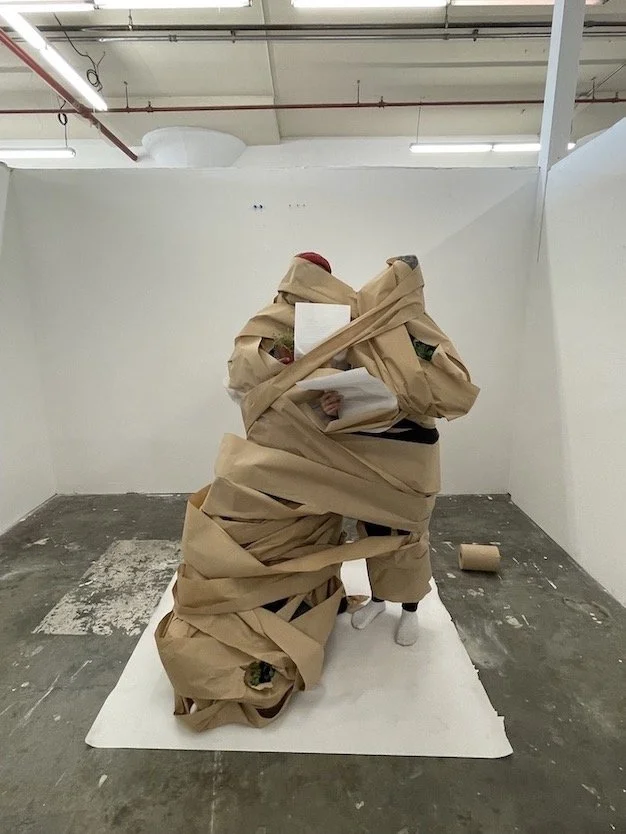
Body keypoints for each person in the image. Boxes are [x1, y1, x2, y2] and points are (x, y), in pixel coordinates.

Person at [319, 255, 428, 646]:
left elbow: (444, 389)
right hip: (372, 445)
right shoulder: (360, 336)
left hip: (414, 447)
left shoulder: (423, 337)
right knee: (374, 529)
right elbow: (344, 385)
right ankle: (379, 599)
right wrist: (334, 404)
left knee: (410, 534)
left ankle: (411, 609)